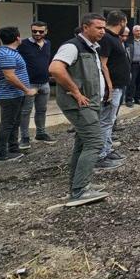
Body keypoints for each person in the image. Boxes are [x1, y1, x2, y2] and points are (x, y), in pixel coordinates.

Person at [48, 13, 109, 206]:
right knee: (95, 142)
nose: (102, 31)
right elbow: (56, 69)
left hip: (90, 103)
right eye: (98, 28)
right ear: (85, 27)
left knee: (82, 144)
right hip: (80, 104)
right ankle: (80, 191)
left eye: (104, 28)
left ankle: (77, 185)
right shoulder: (72, 46)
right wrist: (75, 91)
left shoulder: (91, 48)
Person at [0, 26, 38, 163]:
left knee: (14, 123)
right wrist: (27, 90)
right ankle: (1, 154)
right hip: (9, 95)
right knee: (7, 124)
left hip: (15, 95)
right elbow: (10, 77)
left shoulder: (10, 52)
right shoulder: (7, 54)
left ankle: (13, 148)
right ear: (18, 37)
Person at [95, 11, 130, 169]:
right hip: (112, 87)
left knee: (110, 121)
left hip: (118, 86)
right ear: (122, 22)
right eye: (126, 23)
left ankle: (108, 150)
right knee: (106, 121)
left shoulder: (114, 38)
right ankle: (100, 156)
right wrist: (109, 87)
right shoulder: (107, 39)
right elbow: (103, 64)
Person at [17, 21, 56, 148]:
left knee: (42, 110)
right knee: (25, 111)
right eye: (34, 31)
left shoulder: (47, 43)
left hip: (44, 82)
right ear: (31, 30)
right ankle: (24, 137)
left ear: (46, 31)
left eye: (40, 31)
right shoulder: (23, 44)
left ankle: (41, 133)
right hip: (29, 83)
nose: (37, 34)